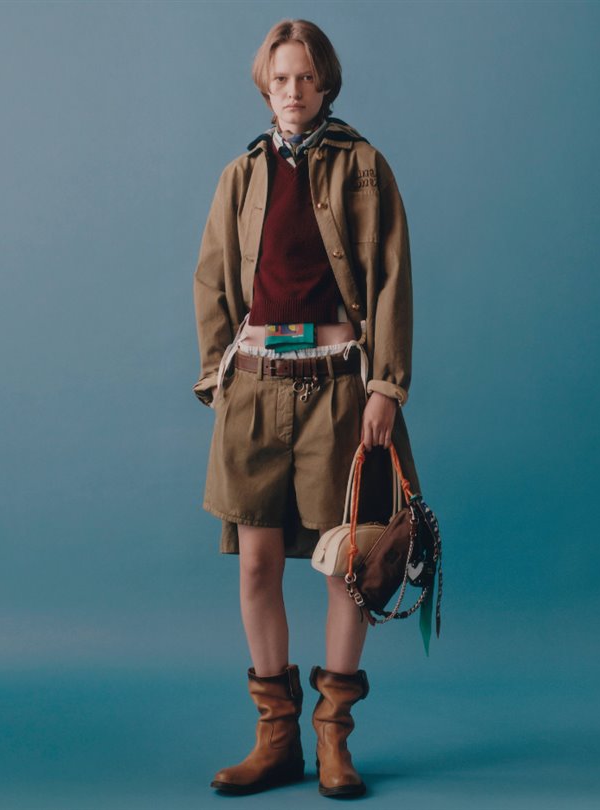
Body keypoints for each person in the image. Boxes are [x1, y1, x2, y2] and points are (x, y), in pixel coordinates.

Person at [193, 18, 420, 798]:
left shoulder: (364, 167)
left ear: (326, 83)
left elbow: (391, 278)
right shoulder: (240, 175)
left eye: (306, 78)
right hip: (255, 387)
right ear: (266, 85)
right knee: (258, 564)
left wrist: (384, 386)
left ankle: (333, 739)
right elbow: (212, 279)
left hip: (338, 390)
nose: (293, 91)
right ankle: (276, 739)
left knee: (347, 565)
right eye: (281, 78)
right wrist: (217, 378)